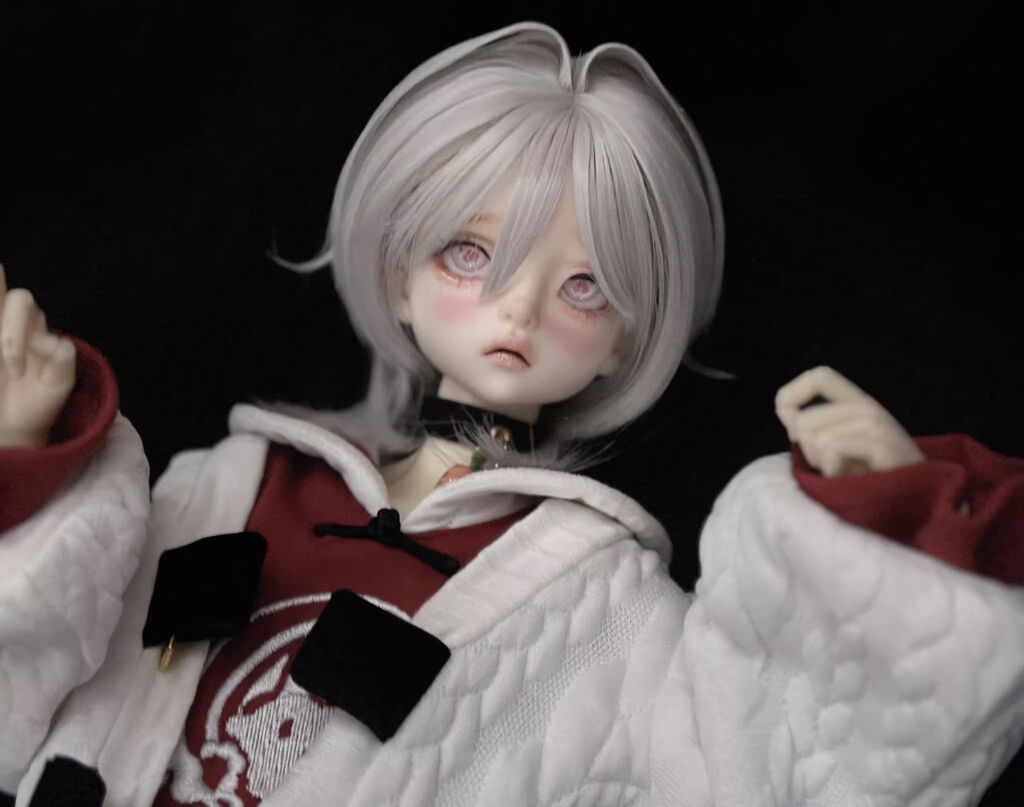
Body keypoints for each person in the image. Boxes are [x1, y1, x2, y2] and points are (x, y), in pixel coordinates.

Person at [2, 20, 1022, 807]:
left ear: (624, 336)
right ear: (399, 274)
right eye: (471, 253)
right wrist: (23, 455)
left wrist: (902, 520)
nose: (519, 309)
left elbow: (773, 769)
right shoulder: (229, 483)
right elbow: (28, 659)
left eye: (584, 287)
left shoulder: (601, 605)